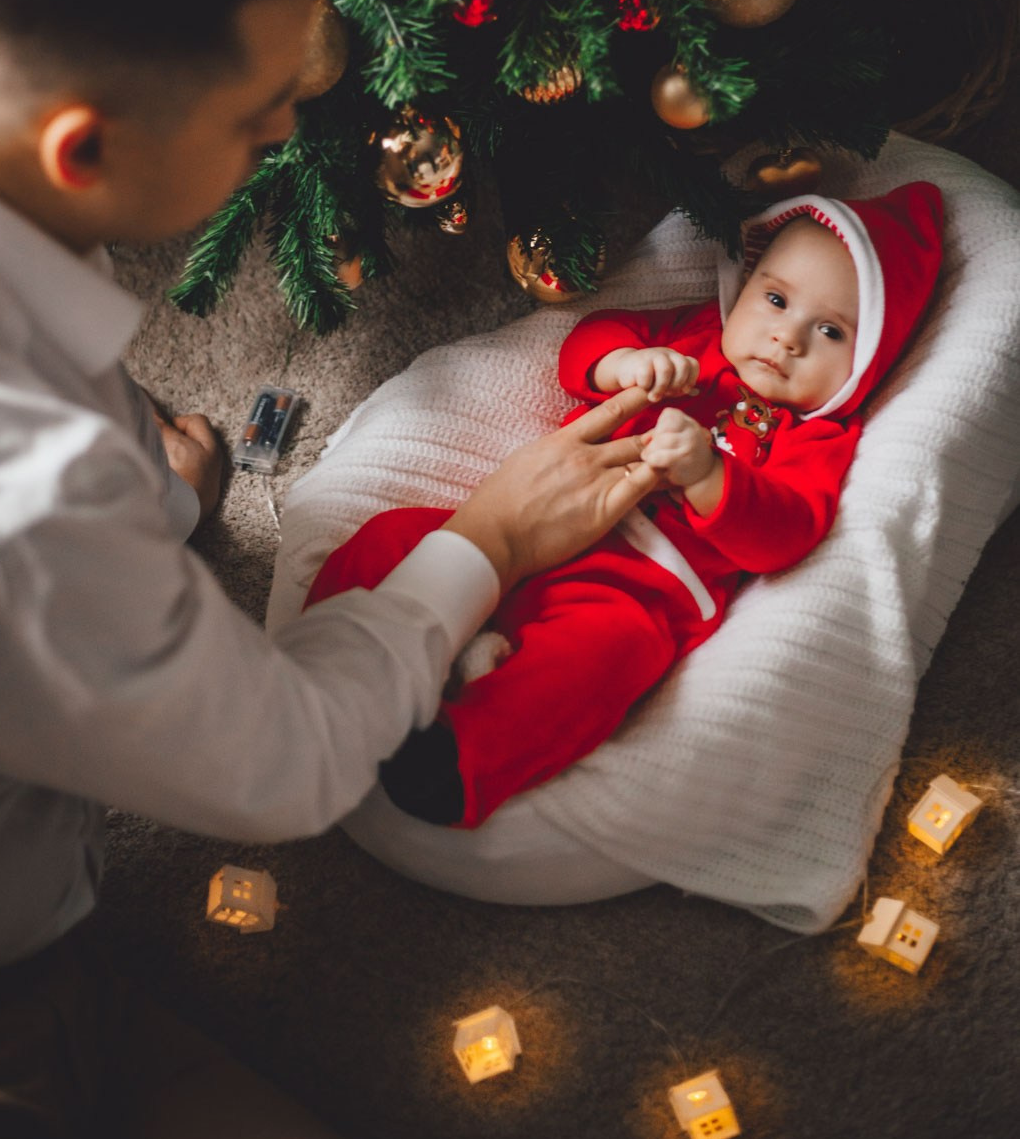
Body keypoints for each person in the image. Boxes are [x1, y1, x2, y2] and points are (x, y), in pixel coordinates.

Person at [0, 0, 669, 1139]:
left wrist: (147, 503)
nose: (290, 125)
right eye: (252, 111)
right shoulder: (24, 504)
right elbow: (284, 767)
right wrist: (487, 545)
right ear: (82, 150)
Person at [306, 182, 944, 830]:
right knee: (396, 537)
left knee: (602, 660)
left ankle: (456, 759)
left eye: (830, 331)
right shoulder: (695, 337)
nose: (785, 339)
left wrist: (708, 475)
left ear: (866, 364)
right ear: (745, 283)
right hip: (533, 510)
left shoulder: (815, 436)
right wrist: (625, 363)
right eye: (776, 300)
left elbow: (785, 532)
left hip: (634, 590)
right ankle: (325, 664)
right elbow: (585, 343)